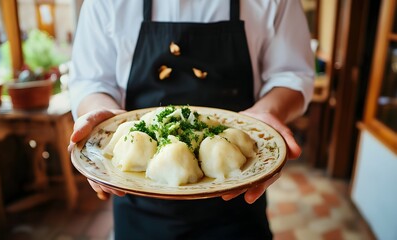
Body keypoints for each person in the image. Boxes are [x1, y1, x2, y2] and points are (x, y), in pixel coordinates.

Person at [68, 0, 314, 239]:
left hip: (238, 199)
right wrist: (105, 119)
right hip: (136, 204)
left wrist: (267, 113)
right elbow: (91, 81)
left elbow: (291, 74)